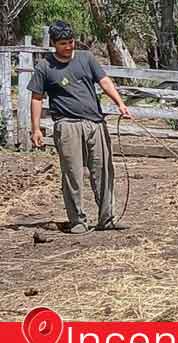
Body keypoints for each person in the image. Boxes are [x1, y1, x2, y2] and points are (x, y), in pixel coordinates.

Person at [29, 20, 132, 234]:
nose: (68, 46)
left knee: (103, 170)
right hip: (67, 125)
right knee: (72, 173)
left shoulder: (87, 58)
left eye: (71, 42)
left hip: (95, 123)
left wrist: (120, 103)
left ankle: (107, 218)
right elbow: (37, 98)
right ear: (54, 44)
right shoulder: (44, 67)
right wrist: (36, 128)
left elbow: (104, 81)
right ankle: (77, 220)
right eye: (63, 43)